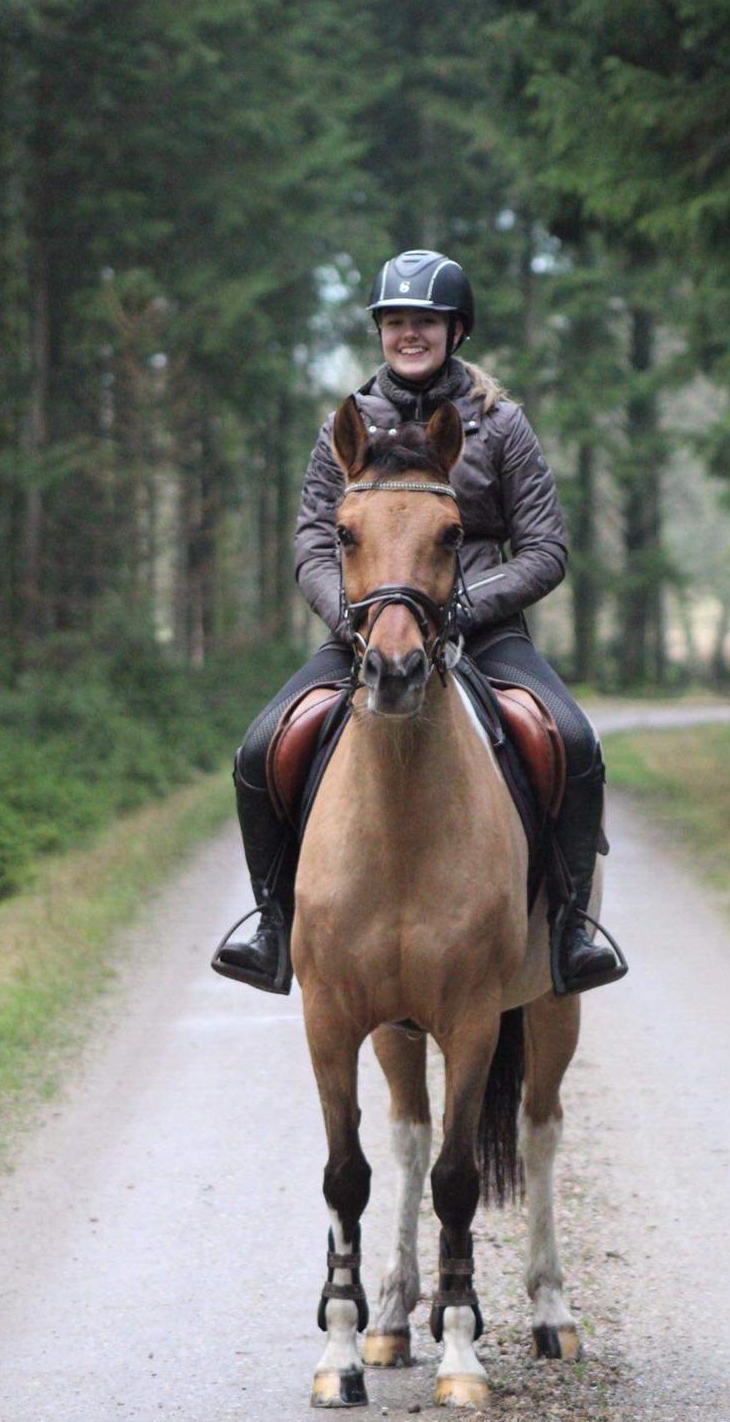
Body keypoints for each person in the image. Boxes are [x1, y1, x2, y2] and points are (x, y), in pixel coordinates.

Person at [213, 248, 627, 998]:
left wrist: (463, 606)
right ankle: (272, 925)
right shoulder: (344, 425)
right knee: (259, 746)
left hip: (483, 629)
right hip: (366, 631)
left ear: (455, 330)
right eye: (395, 321)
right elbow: (313, 543)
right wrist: (354, 618)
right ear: (380, 331)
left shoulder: (500, 424)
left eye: (426, 322)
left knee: (571, 738)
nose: (409, 334)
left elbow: (545, 549)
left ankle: (570, 931)